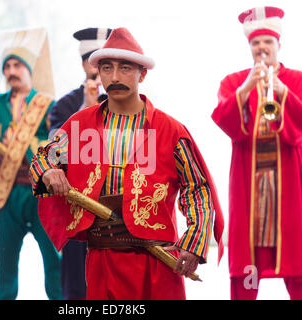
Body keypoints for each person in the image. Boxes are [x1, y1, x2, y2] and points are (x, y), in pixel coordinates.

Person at [30, 27, 224, 300]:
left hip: (156, 263)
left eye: (125, 68)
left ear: (142, 73)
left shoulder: (171, 131)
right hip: (101, 261)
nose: (115, 77)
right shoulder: (79, 126)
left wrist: (193, 243)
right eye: (107, 68)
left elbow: (198, 189)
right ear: (98, 73)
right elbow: (41, 159)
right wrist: (50, 170)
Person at [212, 6, 302, 300]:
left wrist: (281, 91)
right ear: (249, 46)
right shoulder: (234, 82)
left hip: (288, 184)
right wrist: (248, 88)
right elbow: (223, 118)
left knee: (296, 252)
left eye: (267, 42)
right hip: (249, 183)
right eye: (255, 43)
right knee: (247, 259)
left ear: (278, 44)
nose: (261, 48)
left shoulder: (297, 80)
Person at [0, 28, 62, 300]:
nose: (12, 71)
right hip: (7, 192)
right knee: (6, 263)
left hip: (41, 193)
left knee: (54, 261)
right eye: (7, 66)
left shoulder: (48, 105)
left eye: (17, 65)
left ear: (28, 69)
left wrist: (23, 144)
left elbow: (56, 147)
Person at [48, 27, 111, 300]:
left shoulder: (127, 103)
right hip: (77, 210)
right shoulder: (64, 106)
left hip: (116, 209)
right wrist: (85, 110)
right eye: (91, 60)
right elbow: (55, 157)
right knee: (76, 286)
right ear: (83, 63)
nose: (96, 67)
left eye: (103, 61)